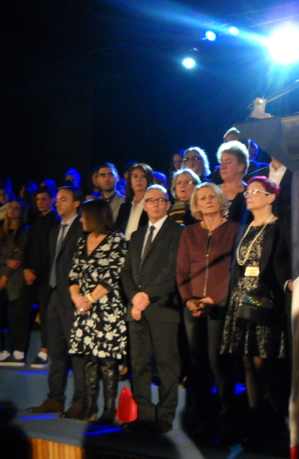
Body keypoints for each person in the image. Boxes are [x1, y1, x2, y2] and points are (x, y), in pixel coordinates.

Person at [220, 177, 292, 446]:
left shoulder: (279, 226)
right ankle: (255, 422)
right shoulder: (245, 228)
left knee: (265, 363)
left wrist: (289, 283)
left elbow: (284, 263)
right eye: (247, 191)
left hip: (264, 300)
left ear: (271, 197)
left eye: (255, 191)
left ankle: (282, 420)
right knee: (247, 361)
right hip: (240, 300)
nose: (248, 194)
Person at [176, 182, 239, 440]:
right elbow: (181, 270)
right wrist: (188, 300)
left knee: (219, 363)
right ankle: (204, 418)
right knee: (198, 364)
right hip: (193, 306)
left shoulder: (235, 230)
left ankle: (228, 420)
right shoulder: (189, 232)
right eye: (202, 198)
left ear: (221, 200)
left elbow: (235, 270)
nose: (208, 200)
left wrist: (215, 298)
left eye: (212, 196)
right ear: (196, 205)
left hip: (220, 305)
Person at [121, 185, 184, 434]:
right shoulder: (137, 235)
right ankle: (144, 416)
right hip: (137, 310)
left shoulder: (178, 232)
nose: (155, 204)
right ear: (144, 205)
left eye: (160, 200)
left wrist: (146, 296)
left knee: (167, 365)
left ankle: (165, 417)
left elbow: (172, 270)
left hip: (163, 308)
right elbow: (126, 272)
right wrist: (135, 298)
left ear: (168, 204)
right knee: (139, 364)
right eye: (150, 200)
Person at [68, 199, 128, 424]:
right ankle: (90, 406)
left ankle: (109, 410)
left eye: (84, 215)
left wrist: (91, 299)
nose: (81, 219)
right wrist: (77, 298)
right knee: (90, 359)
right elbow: (73, 274)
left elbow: (113, 274)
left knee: (107, 361)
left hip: (107, 307)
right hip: (85, 308)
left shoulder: (116, 240)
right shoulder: (82, 241)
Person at [29, 186, 86, 418]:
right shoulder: (54, 230)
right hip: (53, 294)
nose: (57, 203)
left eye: (64, 199)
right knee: (55, 349)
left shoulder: (82, 228)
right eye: (57, 199)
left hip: (72, 295)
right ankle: (55, 398)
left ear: (76, 203)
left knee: (77, 351)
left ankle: (81, 401)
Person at [0, 186, 59, 366]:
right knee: (20, 312)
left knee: (45, 315)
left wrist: (35, 272)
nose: (40, 202)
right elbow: (26, 247)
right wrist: (26, 269)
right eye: (38, 199)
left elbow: (51, 252)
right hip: (29, 275)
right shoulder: (35, 221)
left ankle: (44, 353)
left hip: (45, 277)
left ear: (52, 200)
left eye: (44, 199)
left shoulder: (55, 221)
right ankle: (19, 353)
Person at [0, 200, 29, 363]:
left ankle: (8, 349)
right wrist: (6, 262)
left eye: (17, 208)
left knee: (12, 316)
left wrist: (7, 273)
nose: (12, 211)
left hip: (14, 279)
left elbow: (20, 255)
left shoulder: (24, 232)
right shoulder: (0, 231)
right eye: (11, 207)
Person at [115, 163, 154, 241]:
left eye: (143, 176)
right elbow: (118, 230)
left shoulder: (152, 204)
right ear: (130, 181)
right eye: (135, 176)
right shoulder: (124, 206)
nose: (139, 179)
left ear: (149, 180)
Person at [216, 141, 249, 224]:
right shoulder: (213, 192)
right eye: (221, 162)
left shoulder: (249, 194)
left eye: (228, 162)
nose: (222, 167)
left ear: (241, 166)